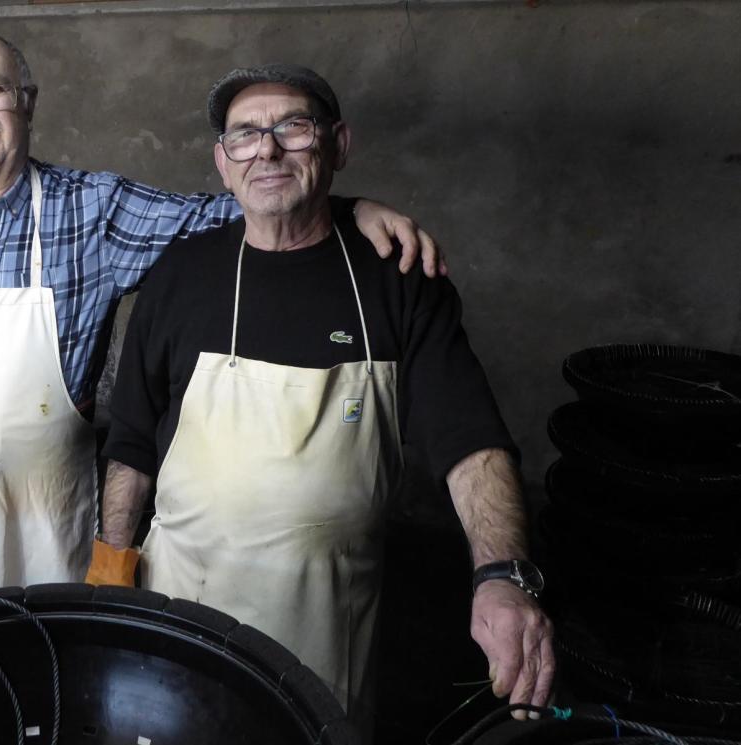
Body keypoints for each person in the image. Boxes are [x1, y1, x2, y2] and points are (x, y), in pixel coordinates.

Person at [0, 28, 446, 621]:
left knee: (48, 682)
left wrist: (345, 207)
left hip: (45, 521)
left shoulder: (92, 210)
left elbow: (250, 205)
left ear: (28, 104)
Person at [85, 64, 553, 741]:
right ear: (222, 161)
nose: (267, 150)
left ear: (337, 144)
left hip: (327, 624)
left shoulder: (397, 281)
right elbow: (129, 440)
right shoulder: (180, 277)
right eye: (244, 135)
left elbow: (470, 440)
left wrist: (502, 573)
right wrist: (110, 566)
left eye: (291, 128)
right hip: (179, 605)